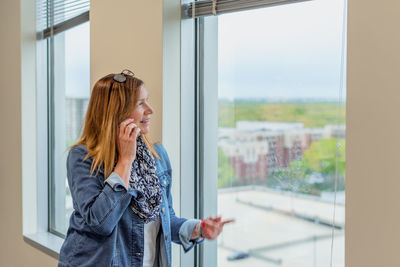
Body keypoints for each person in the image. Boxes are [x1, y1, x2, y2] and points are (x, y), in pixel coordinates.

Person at [58, 70, 234, 267]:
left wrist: (199, 229)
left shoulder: (156, 155)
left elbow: (164, 221)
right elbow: (100, 223)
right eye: (140, 103)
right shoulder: (83, 157)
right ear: (117, 112)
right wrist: (125, 161)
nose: (150, 110)